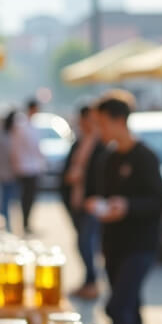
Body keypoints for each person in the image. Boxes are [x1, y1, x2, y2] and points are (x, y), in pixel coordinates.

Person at [86, 95, 162, 324]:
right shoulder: (107, 158)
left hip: (141, 245)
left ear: (119, 121)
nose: (100, 129)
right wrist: (99, 206)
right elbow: (97, 195)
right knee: (130, 305)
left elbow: (159, 201)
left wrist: (128, 206)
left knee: (118, 305)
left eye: (102, 123)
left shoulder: (145, 157)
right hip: (113, 244)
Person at [60, 104, 103, 300]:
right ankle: (88, 280)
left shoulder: (101, 144)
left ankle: (92, 281)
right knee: (82, 242)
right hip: (76, 201)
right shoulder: (79, 142)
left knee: (86, 242)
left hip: (91, 203)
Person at [11, 99, 45, 234]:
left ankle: (27, 222)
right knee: (27, 197)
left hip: (32, 166)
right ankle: (25, 223)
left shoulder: (30, 126)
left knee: (29, 197)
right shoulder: (22, 126)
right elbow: (19, 148)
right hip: (26, 167)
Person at [0, 110, 20, 232]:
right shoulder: (9, 137)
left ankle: (4, 227)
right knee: (5, 203)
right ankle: (5, 228)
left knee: (2, 203)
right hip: (7, 173)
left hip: (1, 172)